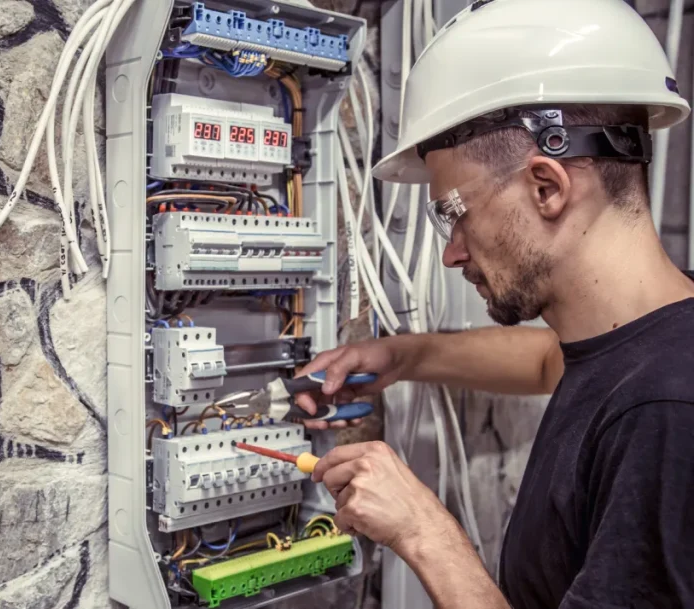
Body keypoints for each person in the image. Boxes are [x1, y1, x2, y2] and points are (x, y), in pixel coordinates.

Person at [294, 0, 694, 607]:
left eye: (453, 212)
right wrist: (403, 356)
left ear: (547, 187)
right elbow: (546, 362)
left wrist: (422, 532)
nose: (453, 253)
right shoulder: (656, 339)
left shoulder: (667, 415)